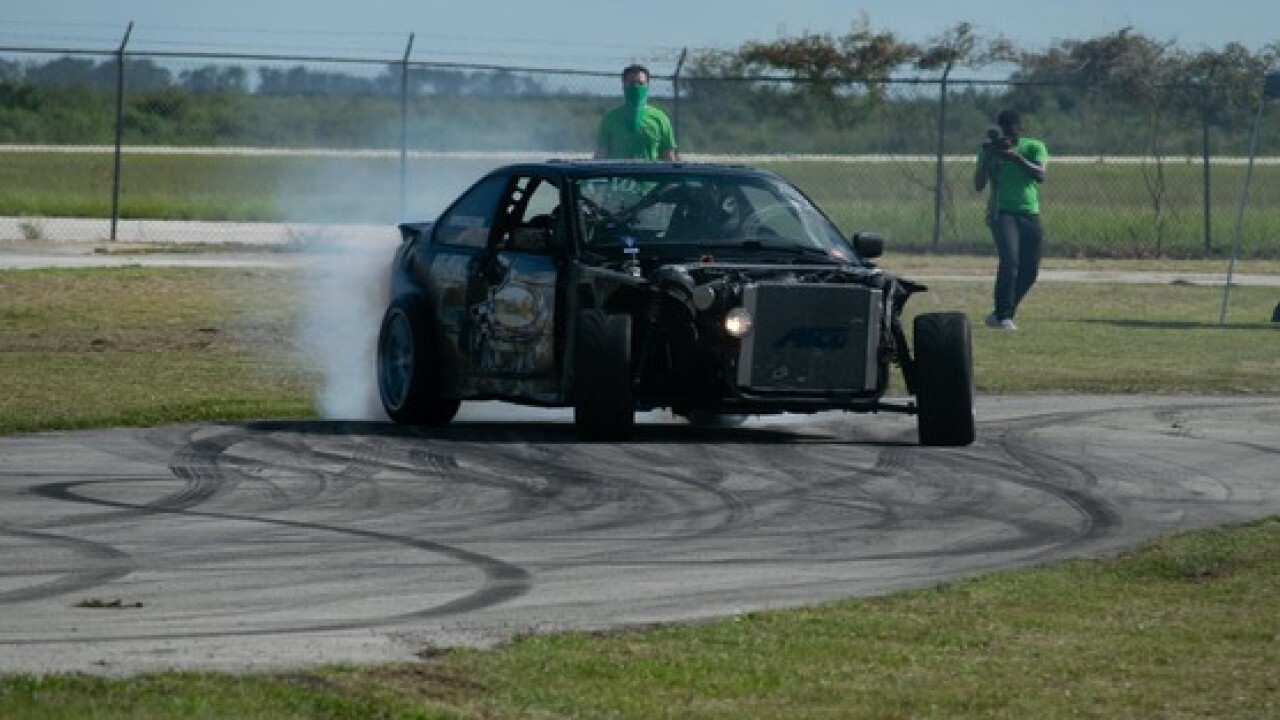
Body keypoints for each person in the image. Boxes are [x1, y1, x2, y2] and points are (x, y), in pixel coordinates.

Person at [973, 109, 1047, 331]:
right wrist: (988, 157)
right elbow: (978, 185)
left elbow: (1040, 175)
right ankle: (1005, 315)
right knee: (1010, 262)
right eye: (1004, 133)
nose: (1008, 138)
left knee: (1030, 270)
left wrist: (1016, 158)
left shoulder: (1033, 147)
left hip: (1029, 212)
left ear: (1019, 131)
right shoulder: (988, 150)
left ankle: (999, 314)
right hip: (1001, 212)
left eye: (1012, 134)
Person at [594, 64, 678, 161]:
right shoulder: (611, 118)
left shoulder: (660, 118)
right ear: (624, 85)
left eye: (640, 83)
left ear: (647, 86)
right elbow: (601, 154)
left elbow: (668, 156)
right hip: (618, 174)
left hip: (650, 174)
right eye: (631, 83)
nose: (636, 87)